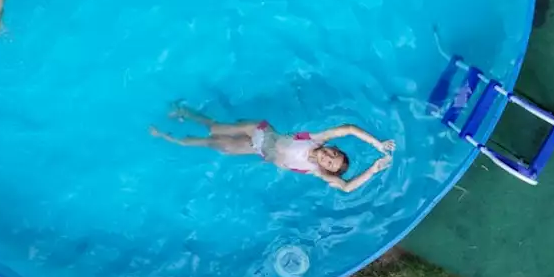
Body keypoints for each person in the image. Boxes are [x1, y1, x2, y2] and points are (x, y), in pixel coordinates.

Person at [150, 104, 395, 192]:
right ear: (331, 147)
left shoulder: (315, 171)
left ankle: (169, 138)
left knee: (218, 146)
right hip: (259, 131)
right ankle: (184, 112)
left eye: (330, 163)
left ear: (326, 169)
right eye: (334, 153)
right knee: (216, 129)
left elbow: (347, 187)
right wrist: (378, 144)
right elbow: (349, 128)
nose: (328, 157)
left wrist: (374, 169)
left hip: (258, 150)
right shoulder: (317, 139)